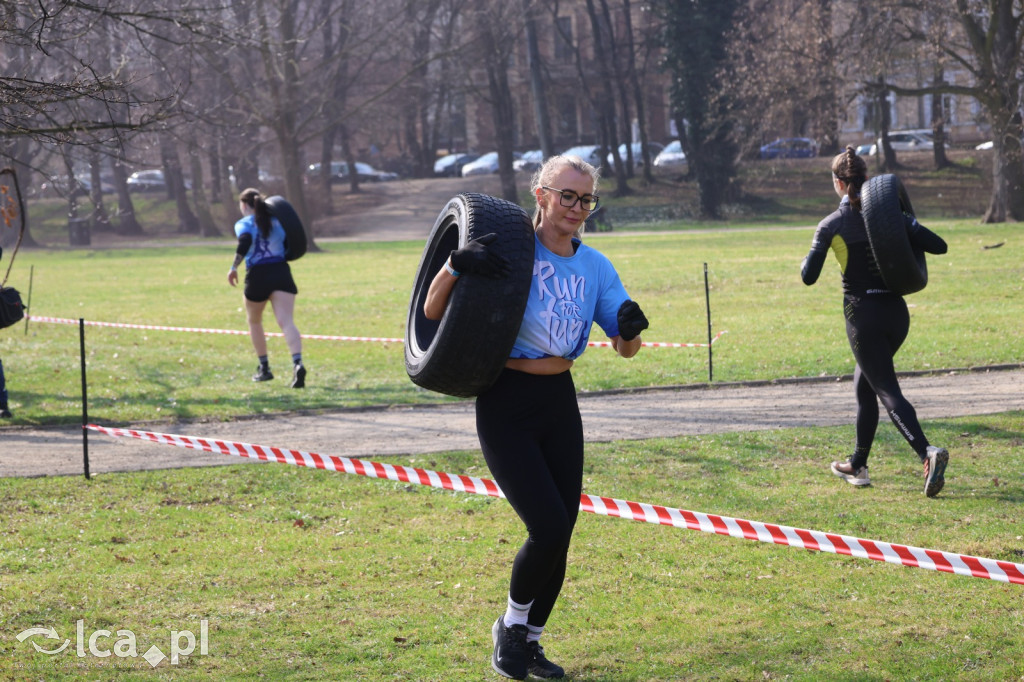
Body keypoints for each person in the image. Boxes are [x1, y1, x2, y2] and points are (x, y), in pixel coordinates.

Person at [423, 155, 649, 680]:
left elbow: (625, 347)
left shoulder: (595, 265)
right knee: (546, 526)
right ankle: (509, 626)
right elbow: (432, 313)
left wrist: (631, 329)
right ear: (541, 194)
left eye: (586, 199)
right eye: (567, 196)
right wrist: (457, 265)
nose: (576, 208)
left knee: (561, 532)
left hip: (559, 402)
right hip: (505, 400)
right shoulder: (506, 249)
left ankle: (529, 643)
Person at [801, 146, 949, 497]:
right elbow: (939, 246)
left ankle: (926, 453)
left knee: (884, 389)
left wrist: (815, 247)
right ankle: (858, 464)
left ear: (838, 183)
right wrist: (908, 222)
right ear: (866, 179)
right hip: (896, 314)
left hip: (862, 315)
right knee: (864, 386)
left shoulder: (831, 225)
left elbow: (808, 276)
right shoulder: (891, 217)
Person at [227, 188, 306, 388]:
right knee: (286, 321)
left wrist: (234, 267)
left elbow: (244, 242)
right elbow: (292, 243)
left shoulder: (244, 223)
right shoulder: (278, 222)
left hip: (257, 276)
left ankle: (264, 368)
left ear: (244, 205)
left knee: (254, 321)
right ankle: (298, 364)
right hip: (281, 272)